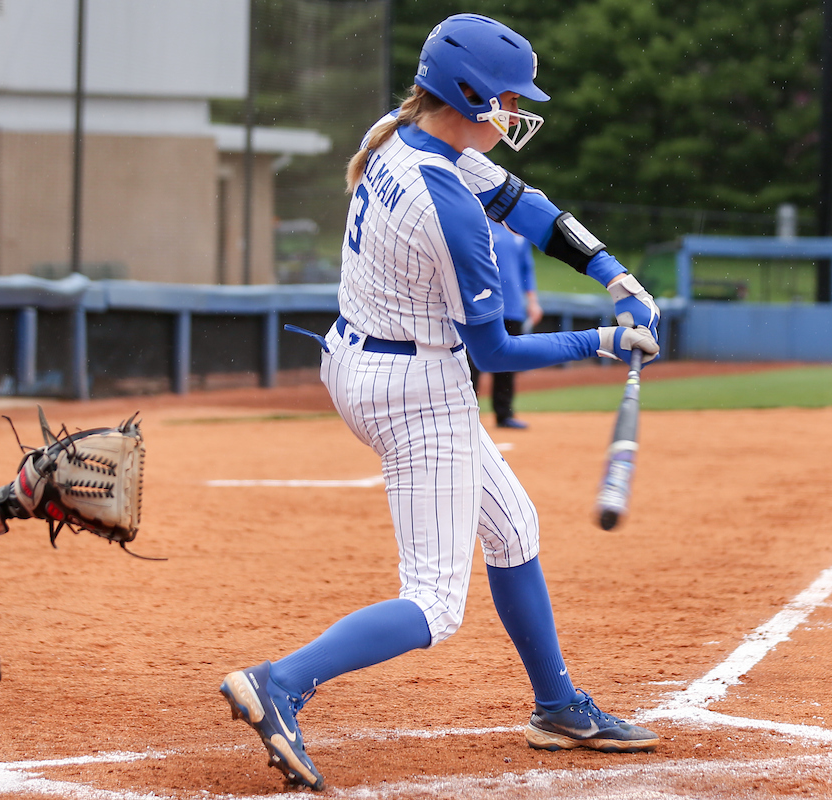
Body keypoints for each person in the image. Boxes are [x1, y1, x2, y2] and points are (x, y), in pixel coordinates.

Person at [220, 14, 663, 792]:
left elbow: (525, 203)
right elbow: (493, 354)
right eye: (507, 101)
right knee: (433, 602)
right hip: (415, 390)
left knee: (513, 526)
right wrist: (602, 341)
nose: (515, 114)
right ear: (468, 95)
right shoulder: (445, 203)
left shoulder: (400, 132)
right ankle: (280, 683)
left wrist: (614, 274)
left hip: (363, 360)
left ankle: (557, 706)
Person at [468, 221, 545, 429]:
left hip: (513, 307)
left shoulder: (518, 230)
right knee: (473, 361)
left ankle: (504, 414)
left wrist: (533, 301)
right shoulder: (480, 225)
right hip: (484, 305)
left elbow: (526, 268)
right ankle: (466, 414)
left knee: (508, 361)